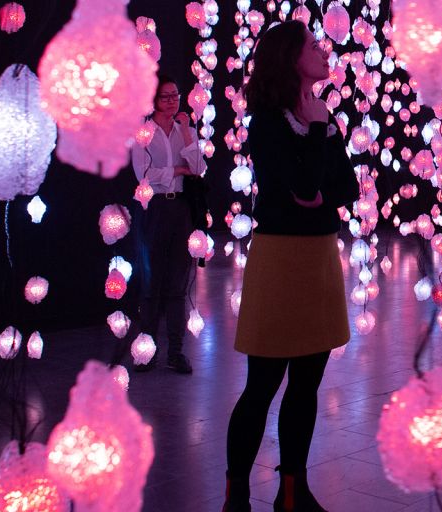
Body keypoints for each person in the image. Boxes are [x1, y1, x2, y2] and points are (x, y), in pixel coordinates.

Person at [223, 20, 356, 512]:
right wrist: (317, 139)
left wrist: (318, 186)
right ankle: (236, 494)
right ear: (288, 57)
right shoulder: (268, 122)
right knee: (262, 385)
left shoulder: (323, 115)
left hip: (318, 255)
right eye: (313, 47)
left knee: (306, 384)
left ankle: (292, 493)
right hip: (280, 260)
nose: (324, 54)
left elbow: (346, 187)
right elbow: (303, 186)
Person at [122, 73, 209, 375]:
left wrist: (186, 133)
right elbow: (144, 174)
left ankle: (176, 351)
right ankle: (146, 350)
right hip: (154, 207)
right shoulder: (143, 132)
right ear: (154, 100)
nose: (173, 101)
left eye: (176, 95)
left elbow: (198, 168)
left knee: (177, 284)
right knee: (151, 283)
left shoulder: (186, 129)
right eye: (166, 96)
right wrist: (178, 170)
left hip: (181, 210)